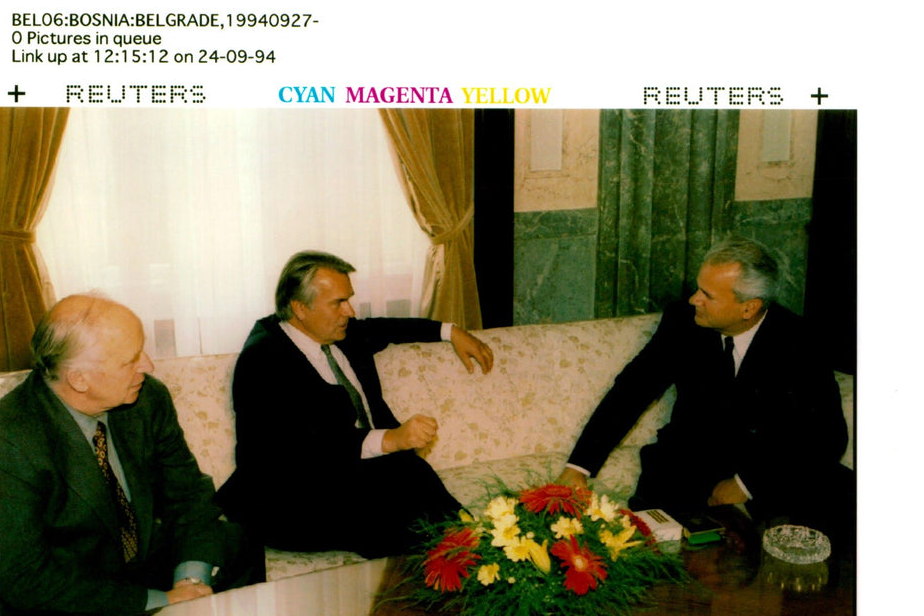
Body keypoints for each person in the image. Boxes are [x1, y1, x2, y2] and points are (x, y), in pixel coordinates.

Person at [0, 294, 261, 616]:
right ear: (79, 379)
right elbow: (27, 578)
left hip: (140, 561)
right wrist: (163, 601)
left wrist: (190, 583)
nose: (148, 366)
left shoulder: (147, 399)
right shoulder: (7, 439)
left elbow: (188, 494)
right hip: (72, 595)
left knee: (239, 542)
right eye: (130, 360)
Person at [558, 237, 850, 531]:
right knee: (653, 541)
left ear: (748, 308)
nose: (693, 300)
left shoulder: (800, 340)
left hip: (766, 471)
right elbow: (631, 390)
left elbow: (830, 436)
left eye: (707, 295)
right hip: (687, 467)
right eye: (698, 288)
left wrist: (746, 484)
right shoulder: (683, 322)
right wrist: (578, 467)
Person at [215, 250, 494, 557]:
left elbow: (388, 329)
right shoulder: (263, 361)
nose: (349, 311)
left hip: (353, 474)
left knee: (411, 473)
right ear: (300, 308)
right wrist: (391, 439)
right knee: (396, 509)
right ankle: (455, 559)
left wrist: (450, 331)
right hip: (290, 496)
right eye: (338, 302)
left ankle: (476, 544)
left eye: (349, 299)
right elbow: (301, 451)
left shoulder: (337, 333)